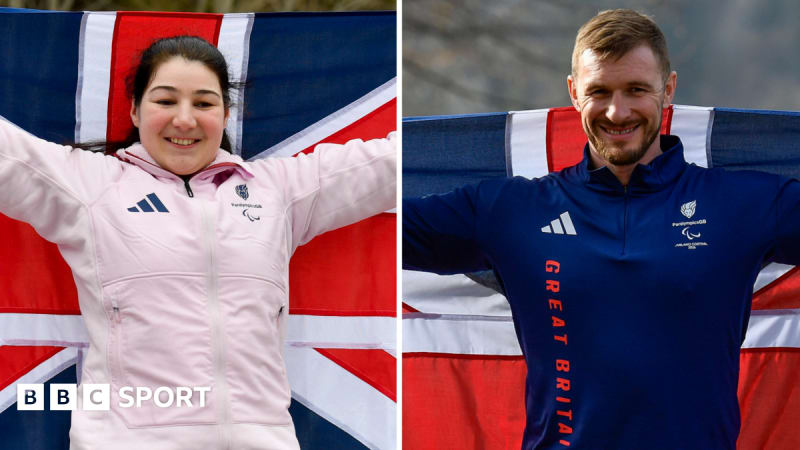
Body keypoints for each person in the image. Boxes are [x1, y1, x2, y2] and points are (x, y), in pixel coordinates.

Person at [403, 9, 800, 450]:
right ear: (573, 94)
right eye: (600, 92)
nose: (617, 111)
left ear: (668, 89)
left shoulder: (744, 204)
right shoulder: (510, 211)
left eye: (636, 90)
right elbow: (383, 232)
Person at [0, 36, 395, 449]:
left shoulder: (279, 191)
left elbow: (389, 164)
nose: (185, 120)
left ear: (225, 114)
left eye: (204, 103)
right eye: (166, 101)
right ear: (135, 110)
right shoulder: (89, 185)